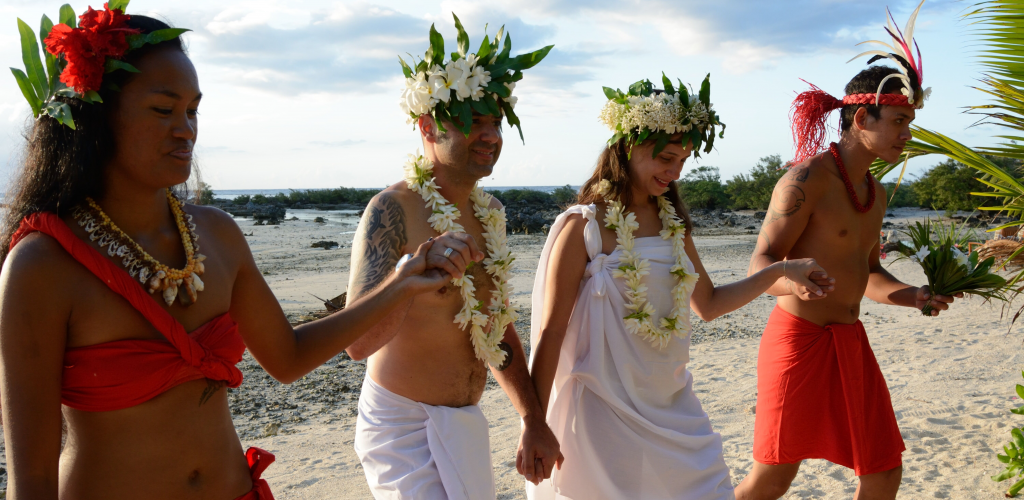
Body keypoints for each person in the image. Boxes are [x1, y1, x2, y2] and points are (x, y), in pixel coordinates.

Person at [0, 6, 473, 499]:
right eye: (164, 110)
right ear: (96, 119)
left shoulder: (216, 234)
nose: (186, 129)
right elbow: (30, 481)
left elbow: (287, 358)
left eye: (192, 110)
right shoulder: (44, 265)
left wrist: (399, 285)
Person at [524, 75, 831, 500]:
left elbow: (707, 304)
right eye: (666, 158)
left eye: (683, 161)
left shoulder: (675, 226)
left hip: (671, 399)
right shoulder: (585, 227)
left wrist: (779, 272)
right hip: (602, 405)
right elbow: (550, 333)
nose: (674, 172)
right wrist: (535, 424)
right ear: (629, 148)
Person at [733, 3, 958, 499]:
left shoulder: (874, 195)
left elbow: (871, 274)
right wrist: (792, 278)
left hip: (850, 341)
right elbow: (761, 263)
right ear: (862, 117)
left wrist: (914, 295)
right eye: (899, 121)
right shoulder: (805, 180)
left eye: (910, 122)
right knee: (772, 477)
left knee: (882, 470)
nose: (907, 133)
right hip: (798, 341)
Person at [344, 15, 563, 499]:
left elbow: (495, 324)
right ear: (428, 125)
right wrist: (414, 277)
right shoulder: (391, 209)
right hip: (401, 425)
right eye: (471, 121)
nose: (490, 135)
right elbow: (356, 344)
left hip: (465, 424)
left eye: (495, 121)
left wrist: (532, 418)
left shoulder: (493, 214)